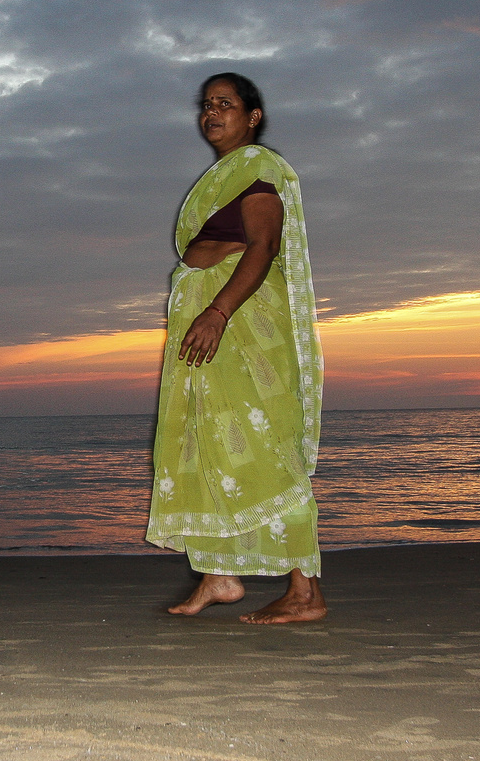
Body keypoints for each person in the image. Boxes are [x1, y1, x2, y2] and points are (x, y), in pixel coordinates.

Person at [145, 72, 326, 624]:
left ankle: (305, 592)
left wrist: (219, 313)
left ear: (253, 117)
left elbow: (265, 245)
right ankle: (218, 575)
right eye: (205, 105)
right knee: (208, 442)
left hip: (240, 331)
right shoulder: (221, 177)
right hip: (207, 332)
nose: (211, 113)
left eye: (225, 104)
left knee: (266, 447)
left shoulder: (258, 170)